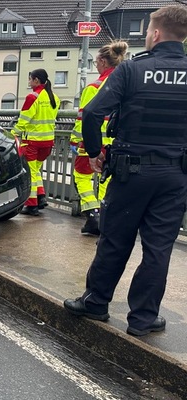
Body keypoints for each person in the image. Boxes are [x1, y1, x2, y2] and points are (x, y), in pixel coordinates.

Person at [64, 5, 187, 337]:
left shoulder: (133, 71)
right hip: (175, 176)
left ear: (156, 34)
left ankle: (95, 303)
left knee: (115, 241)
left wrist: (93, 154)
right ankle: (144, 319)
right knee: (159, 249)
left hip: (131, 173)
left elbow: (91, 114)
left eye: (148, 30)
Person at [70, 40, 129, 236]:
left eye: (96, 61)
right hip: (117, 145)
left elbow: (84, 118)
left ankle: (92, 214)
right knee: (107, 182)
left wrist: (76, 140)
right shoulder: (126, 84)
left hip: (93, 143)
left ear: (103, 61)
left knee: (82, 176)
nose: (95, 65)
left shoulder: (94, 87)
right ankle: (105, 218)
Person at [11, 68, 61, 216]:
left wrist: (12, 134)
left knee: (31, 173)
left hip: (32, 141)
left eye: (30, 79)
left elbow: (23, 121)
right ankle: (41, 197)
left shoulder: (32, 97)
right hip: (48, 141)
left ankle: (32, 204)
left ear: (36, 80)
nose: (29, 82)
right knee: (36, 171)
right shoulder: (54, 98)